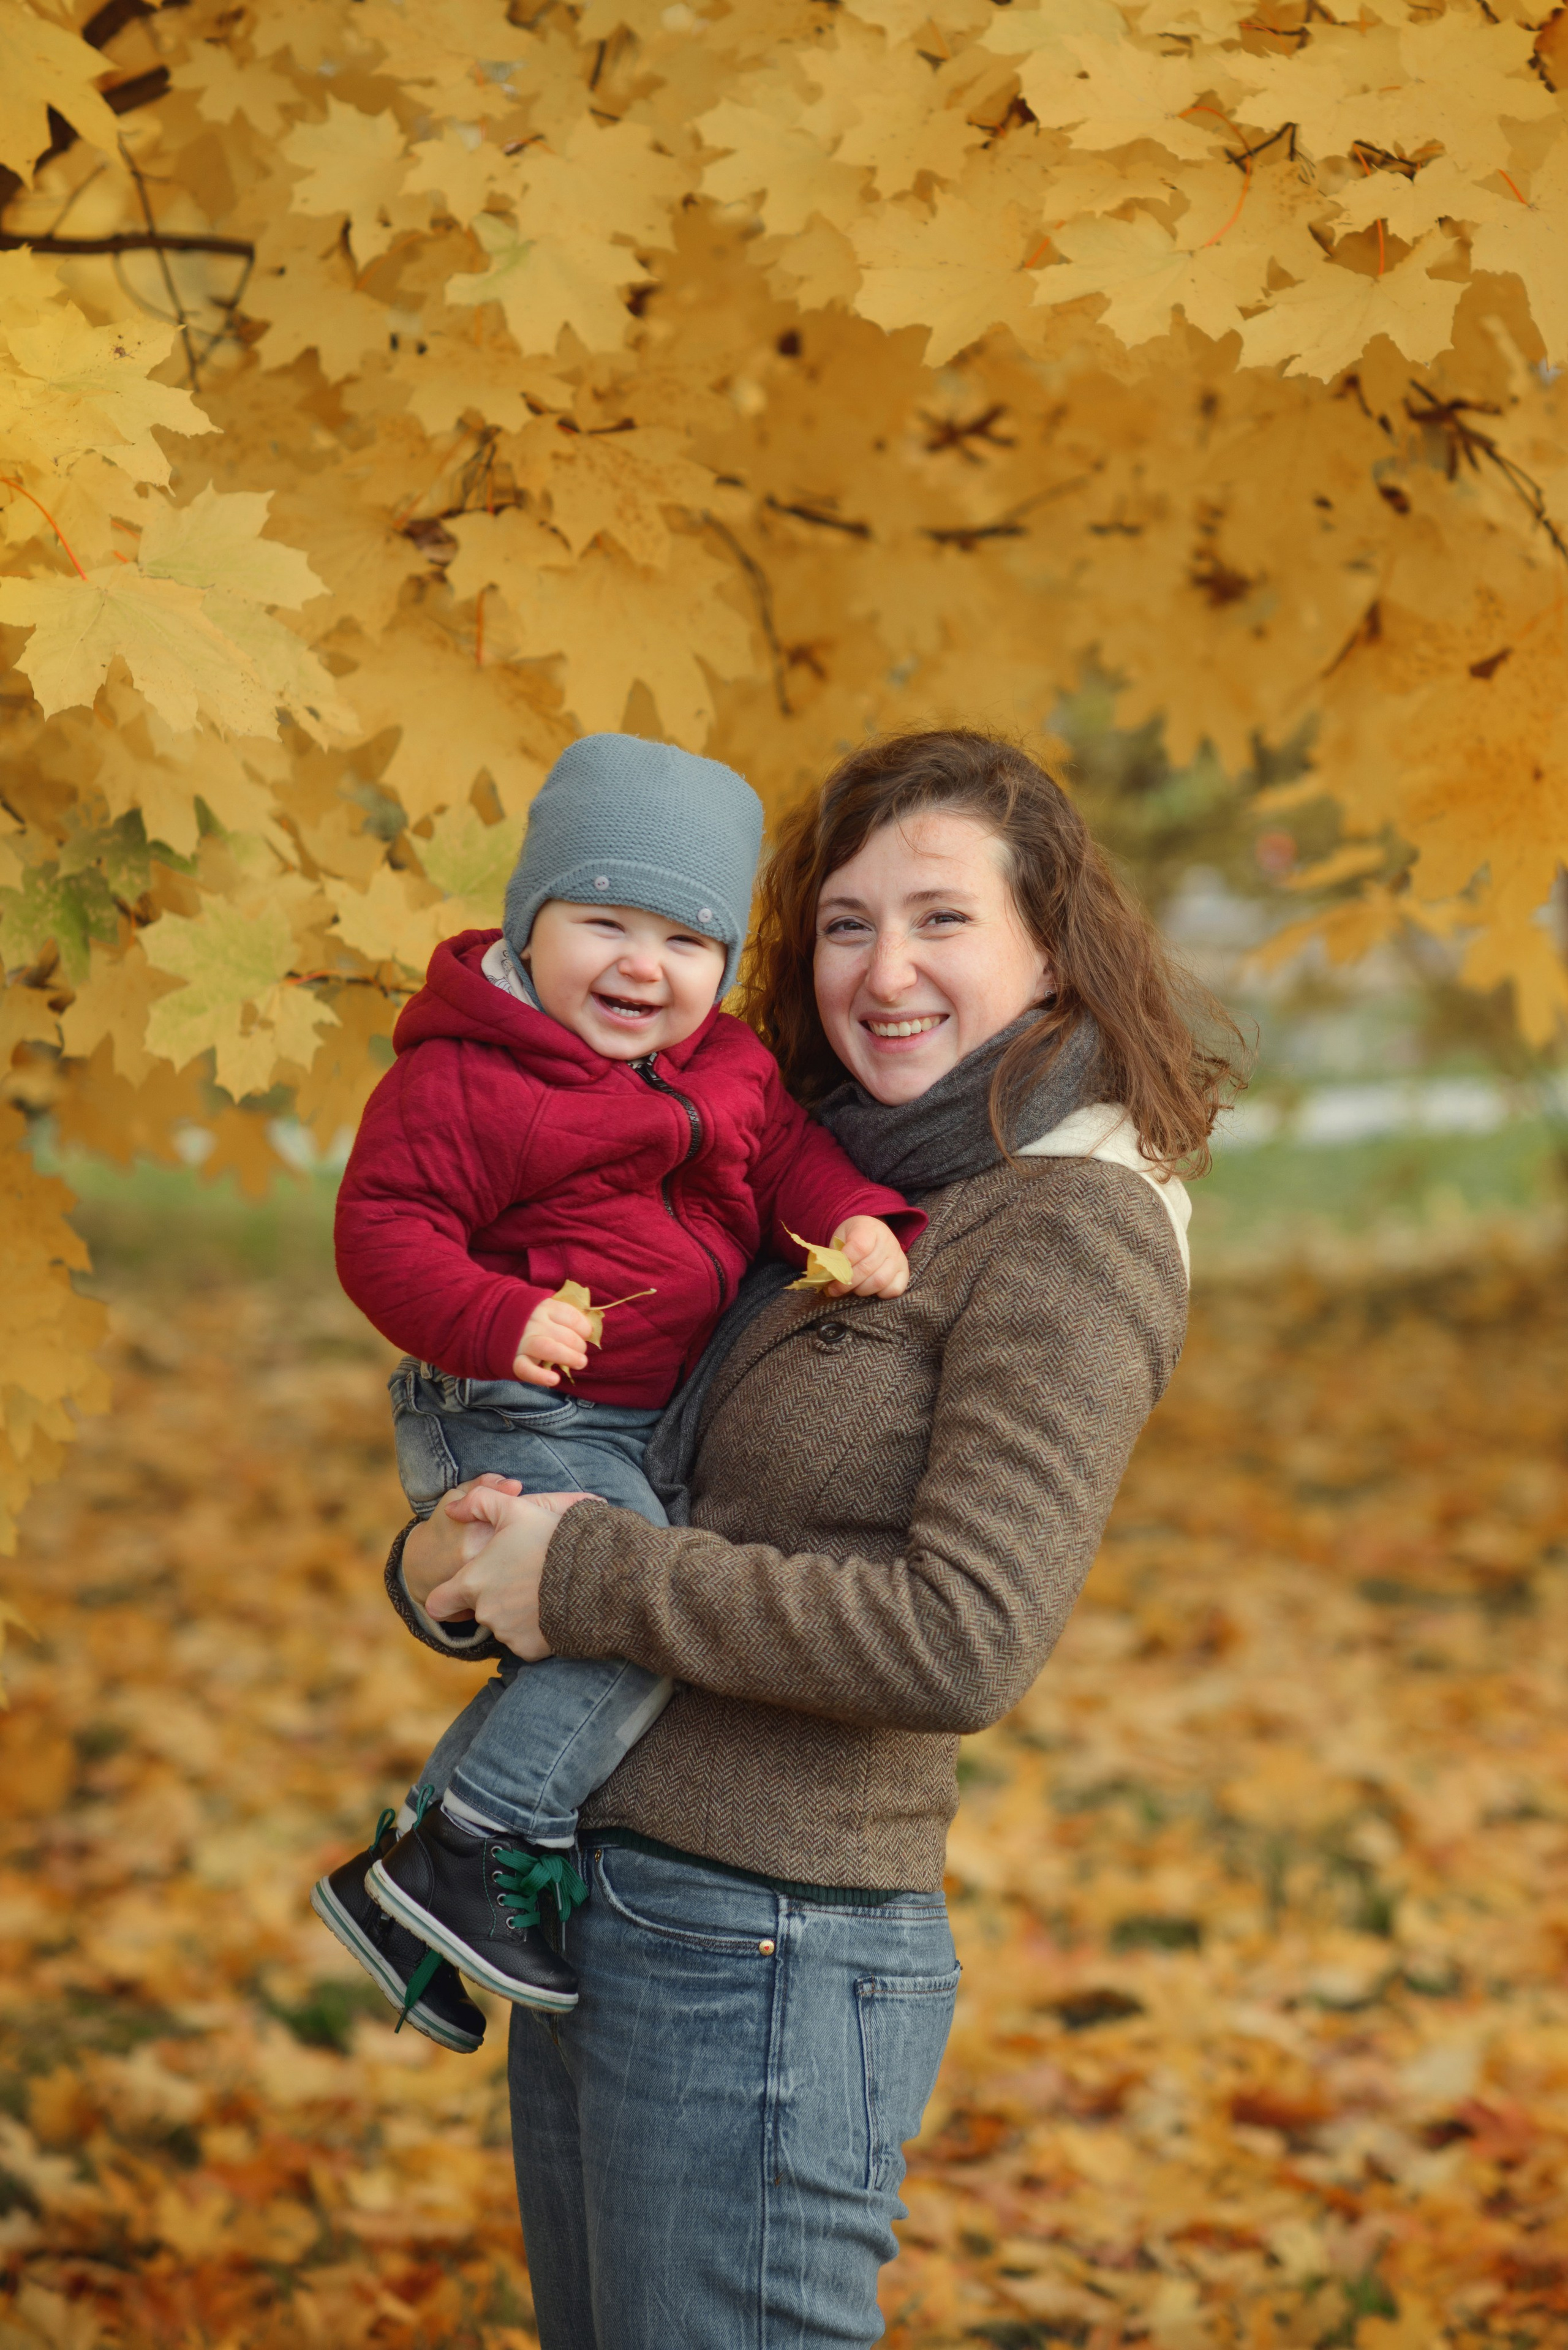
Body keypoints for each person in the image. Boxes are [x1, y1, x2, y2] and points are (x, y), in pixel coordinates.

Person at [379, 729, 1237, 2349]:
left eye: (940, 918)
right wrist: (450, 1558)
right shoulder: (806, 1180)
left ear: (1049, 945)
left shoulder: (1070, 1222)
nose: (885, 969)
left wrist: (583, 1576)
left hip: (777, 1941)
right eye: (845, 922)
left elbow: (961, 1634)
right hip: (595, 1903)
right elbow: (640, 1463)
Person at [313, 734, 920, 2036]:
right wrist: (498, 1314)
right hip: (515, 1398)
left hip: (631, 1411)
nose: (643, 965)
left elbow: (787, 1166)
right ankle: (480, 1838)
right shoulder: (468, 1077)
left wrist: (862, 1218)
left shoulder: (728, 1069)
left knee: (610, 1601)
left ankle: (408, 1873)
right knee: (629, 1594)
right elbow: (382, 1229)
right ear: (532, 924)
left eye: (686, 941)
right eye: (604, 922)